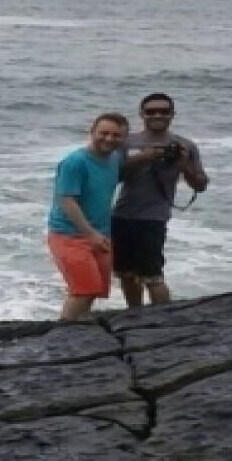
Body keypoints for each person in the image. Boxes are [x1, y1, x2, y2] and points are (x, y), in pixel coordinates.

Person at [112, 93, 209, 308]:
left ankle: (164, 316)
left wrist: (184, 165)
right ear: (142, 114)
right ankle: (134, 314)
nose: (157, 115)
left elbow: (200, 185)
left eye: (164, 111)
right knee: (126, 273)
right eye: (151, 111)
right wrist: (144, 157)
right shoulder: (127, 143)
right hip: (121, 214)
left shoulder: (185, 145)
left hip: (153, 218)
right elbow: (112, 176)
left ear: (172, 114)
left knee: (152, 275)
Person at [46, 112, 128, 321]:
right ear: (92, 132)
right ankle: (63, 333)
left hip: (100, 233)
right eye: (104, 133)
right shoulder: (75, 162)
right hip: (69, 235)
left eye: (116, 135)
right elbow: (67, 201)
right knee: (82, 291)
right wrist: (90, 234)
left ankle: (78, 330)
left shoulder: (114, 159)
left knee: (93, 290)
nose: (109, 139)